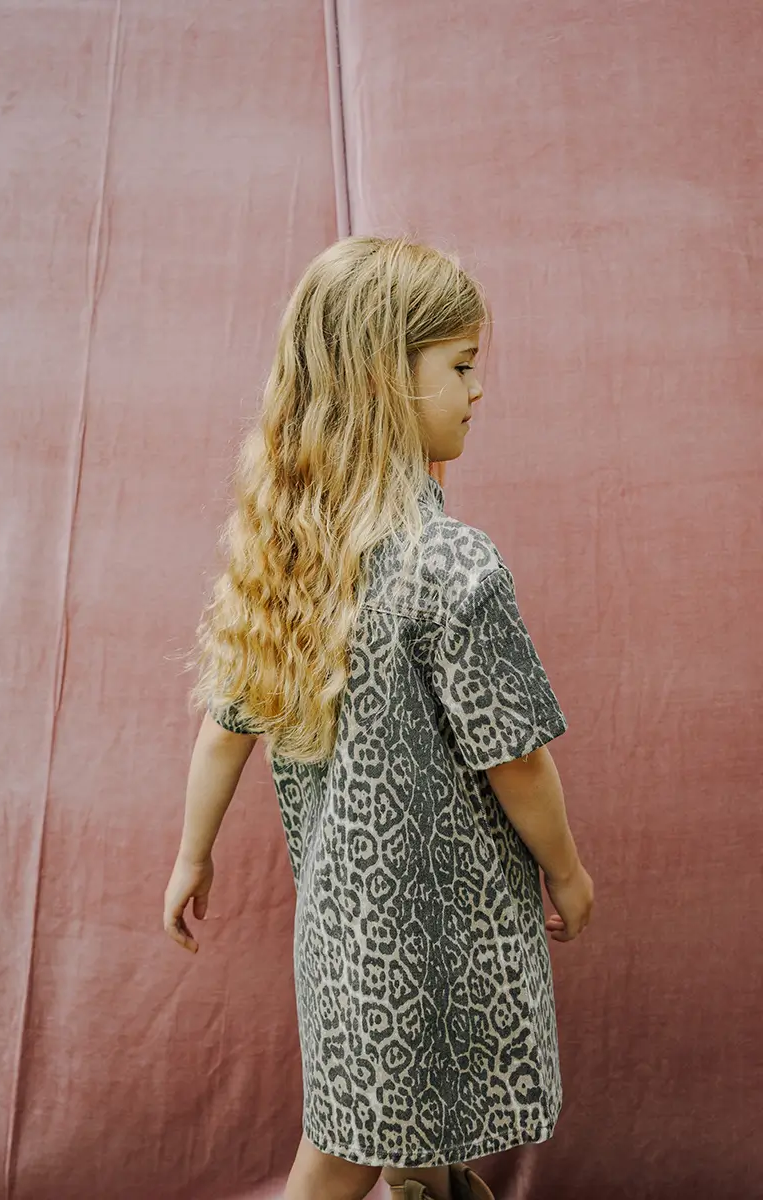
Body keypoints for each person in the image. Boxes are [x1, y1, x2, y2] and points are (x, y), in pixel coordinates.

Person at [163, 235, 594, 1200]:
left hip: (340, 932)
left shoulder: (289, 564)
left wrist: (193, 854)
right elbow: (516, 757)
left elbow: (225, 728)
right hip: (437, 934)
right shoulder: (452, 563)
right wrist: (566, 870)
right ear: (384, 381)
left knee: (404, 1127)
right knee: (349, 1146)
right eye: (462, 366)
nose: (479, 389)